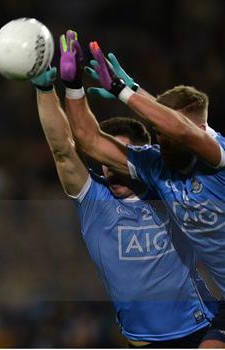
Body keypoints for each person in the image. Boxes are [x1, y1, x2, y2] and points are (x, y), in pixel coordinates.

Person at [31, 30, 217, 347]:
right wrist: (46, 89)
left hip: (202, 327)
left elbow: (179, 132)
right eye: (105, 159)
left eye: (117, 159)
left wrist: (129, 89)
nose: (108, 166)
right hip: (140, 339)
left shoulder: (166, 190)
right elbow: (64, 149)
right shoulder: (94, 199)